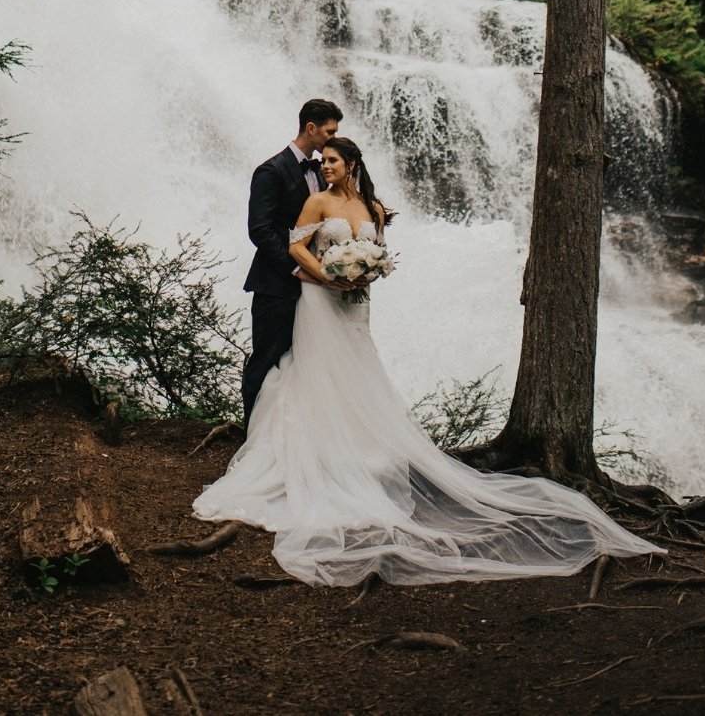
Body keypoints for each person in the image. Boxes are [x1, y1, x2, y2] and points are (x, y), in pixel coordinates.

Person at [195, 136, 662, 587]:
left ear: (351, 165)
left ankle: (358, 450)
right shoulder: (317, 203)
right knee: (316, 370)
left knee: (356, 371)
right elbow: (297, 247)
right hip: (319, 301)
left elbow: (377, 256)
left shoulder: (373, 209)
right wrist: (327, 277)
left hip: (355, 305)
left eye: (333, 161)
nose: (326, 167)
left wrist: (364, 274)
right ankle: (318, 451)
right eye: (324, 162)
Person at [240, 98, 344, 430]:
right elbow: (260, 230)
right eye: (329, 131)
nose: (333, 138)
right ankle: (252, 438)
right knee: (267, 361)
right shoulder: (271, 170)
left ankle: (288, 438)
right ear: (311, 128)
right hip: (276, 285)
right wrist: (296, 268)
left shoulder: (323, 170)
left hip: (315, 287)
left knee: (302, 364)